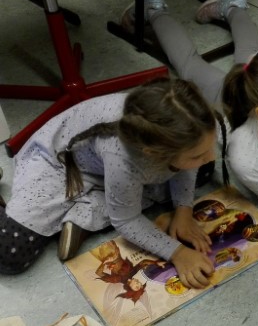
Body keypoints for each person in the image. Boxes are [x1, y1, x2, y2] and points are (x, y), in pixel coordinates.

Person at [122, 0, 258, 261]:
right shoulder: (247, 158)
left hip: (252, 90)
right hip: (226, 99)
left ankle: (233, 6)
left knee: (252, 55)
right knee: (188, 65)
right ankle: (153, 9)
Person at [0, 78, 217, 289]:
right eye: (197, 155)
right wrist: (177, 253)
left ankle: (86, 212)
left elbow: (191, 159)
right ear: (154, 153)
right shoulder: (124, 155)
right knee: (9, 254)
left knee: (205, 170)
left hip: (111, 167)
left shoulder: (188, 123)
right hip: (58, 163)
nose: (210, 155)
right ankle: (89, 211)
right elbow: (126, 220)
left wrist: (184, 210)